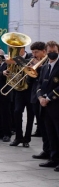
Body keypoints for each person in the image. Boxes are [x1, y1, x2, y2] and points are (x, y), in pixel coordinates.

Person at [35, 40, 59, 171]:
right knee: (50, 133)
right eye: (49, 52)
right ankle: (53, 158)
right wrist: (40, 97)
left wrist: (49, 97)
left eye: (54, 52)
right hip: (44, 105)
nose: (51, 54)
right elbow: (39, 84)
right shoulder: (44, 67)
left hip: (56, 104)